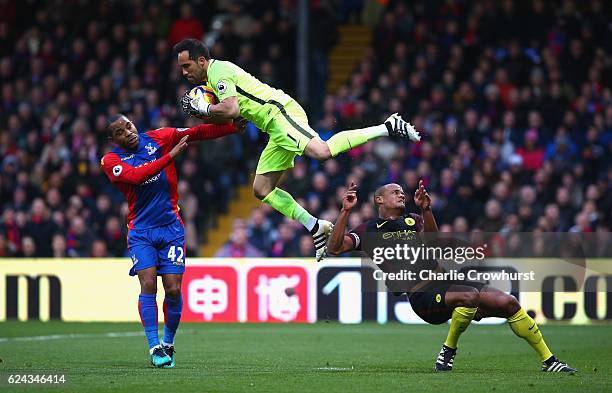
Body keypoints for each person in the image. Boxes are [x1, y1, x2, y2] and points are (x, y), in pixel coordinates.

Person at [174, 38, 421, 261]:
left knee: (322, 151)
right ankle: (315, 226)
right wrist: (212, 115)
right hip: (272, 126)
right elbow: (236, 114)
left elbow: (231, 109)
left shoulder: (218, 72)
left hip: (280, 114)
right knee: (261, 189)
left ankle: (387, 127)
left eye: (187, 66)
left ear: (202, 61)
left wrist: (205, 110)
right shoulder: (215, 77)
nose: (184, 72)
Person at [327, 181, 576, 373]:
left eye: (403, 192)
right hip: (421, 295)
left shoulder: (413, 221)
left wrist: (426, 210)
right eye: (396, 192)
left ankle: (550, 361)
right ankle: (448, 351)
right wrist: (345, 211)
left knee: (508, 302)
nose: (402, 194)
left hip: (445, 282)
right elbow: (335, 247)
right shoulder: (369, 230)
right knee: (468, 297)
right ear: (379, 199)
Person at [100, 114, 241, 368]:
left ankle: (168, 342)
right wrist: (169, 157)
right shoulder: (111, 160)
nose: (128, 132)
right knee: (148, 283)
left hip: (171, 229)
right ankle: (154, 347)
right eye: (120, 132)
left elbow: (197, 132)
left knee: (174, 289)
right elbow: (134, 177)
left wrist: (231, 127)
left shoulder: (159, 138)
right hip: (141, 231)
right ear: (113, 139)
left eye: (129, 125)